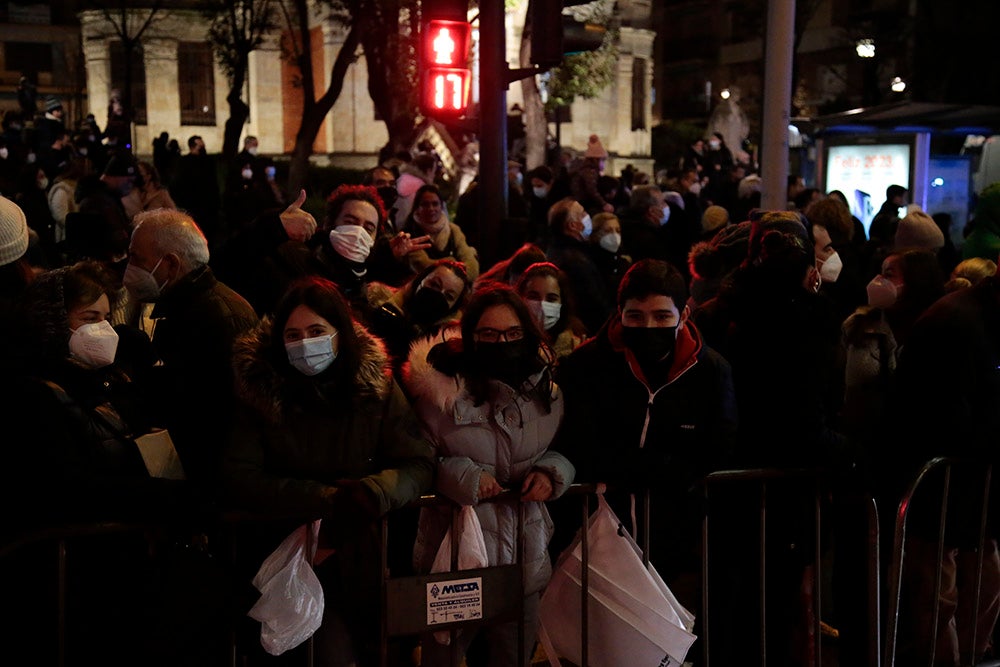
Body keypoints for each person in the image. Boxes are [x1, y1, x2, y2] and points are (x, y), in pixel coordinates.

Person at [2, 261, 209, 665]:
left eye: (106, 317)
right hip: (77, 577)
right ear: (53, 322)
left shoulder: (113, 380)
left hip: (125, 566)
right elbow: (69, 484)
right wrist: (165, 497)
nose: (103, 329)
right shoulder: (35, 394)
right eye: (89, 318)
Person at [224, 276, 435, 667]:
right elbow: (240, 475)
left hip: (360, 557)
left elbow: (417, 462)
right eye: (293, 334)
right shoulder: (259, 390)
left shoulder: (375, 389)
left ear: (340, 333)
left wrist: (373, 492)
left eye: (317, 331)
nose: (305, 343)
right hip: (283, 558)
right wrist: (326, 499)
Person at [553, 258, 736, 659]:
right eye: (636, 316)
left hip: (675, 535)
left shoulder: (710, 370)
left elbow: (718, 445)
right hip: (596, 534)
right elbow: (579, 440)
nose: (649, 327)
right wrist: (659, 466)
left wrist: (667, 470)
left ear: (683, 313)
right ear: (620, 314)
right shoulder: (587, 364)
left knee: (665, 644)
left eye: (661, 316)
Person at [403, 285, 575, 667]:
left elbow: (564, 449)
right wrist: (463, 476)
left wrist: (554, 472)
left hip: (523, 558)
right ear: (471, 337)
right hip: (454, 561)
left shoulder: (547, 393)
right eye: (489, 335)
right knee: (443, 657)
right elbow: (416, 460)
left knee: (513, 656)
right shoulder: (441, 394)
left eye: (513, 334)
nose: (503, 343)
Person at [887, 254, 1000, 666]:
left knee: (973, 581)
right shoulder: (956, 322)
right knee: (940, 590)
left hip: (969, 479)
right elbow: (941, 413)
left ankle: (968, 654)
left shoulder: (970, 317)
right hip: (941, 479)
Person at [124, 208, 258, 490]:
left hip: (211, 479)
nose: (129, 266)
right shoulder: (185, 306)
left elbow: (213, 412)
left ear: (170, 264)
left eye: (136, 258)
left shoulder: (218, 316)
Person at [364, 258, 472, 373]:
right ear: (420, 280)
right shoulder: (373, 302)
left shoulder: (441, 349)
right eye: (435, 284)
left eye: (449, 296)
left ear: (453, 308)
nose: (438, 295)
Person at [545, 197, 613, 334]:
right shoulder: (576, 261)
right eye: (582, 214)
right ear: (573, 226)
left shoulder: (557, 249)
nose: (587, 216)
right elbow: (595, 305)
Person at [397, 183, 479, 281]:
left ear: (441, 206)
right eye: (425, 204)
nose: (431, 209)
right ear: (417, 207)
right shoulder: (409, 232)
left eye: (435, 204)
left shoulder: (453, 229)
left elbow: (469, 259)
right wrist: (452, 261)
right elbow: (423, 265)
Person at [515, 261, 587, 360]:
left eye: (551, 299)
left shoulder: (575, 347)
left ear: (563, 303)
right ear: (519, 298)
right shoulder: (510, 342)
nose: (542, 305)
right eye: (533, 297)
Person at [569, 134, 614, 216]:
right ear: (595, 160)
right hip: (585, 204)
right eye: (602, 160)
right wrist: (603, 204)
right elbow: (591, 190)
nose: (603, 163)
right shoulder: (590, 171)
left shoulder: (583, 169)